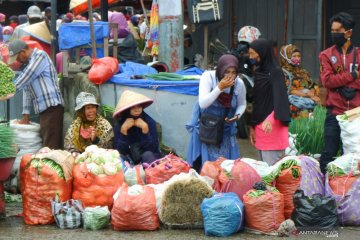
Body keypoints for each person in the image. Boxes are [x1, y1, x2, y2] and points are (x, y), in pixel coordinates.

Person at [186, 54, 247, 171]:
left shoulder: (239, 84)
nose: (230, 76)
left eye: (233, 72)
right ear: (220, 69)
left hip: (226, 128)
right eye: (226, 71)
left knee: (227, 168)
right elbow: (203, 103)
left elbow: (242, 104)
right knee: (208, 167)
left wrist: (236, 116)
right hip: (208, 128)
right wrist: (219, 87)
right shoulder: (208, 77)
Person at [318, 12, 360, 174]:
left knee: (352, 155)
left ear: (348, 32)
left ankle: (348, 194)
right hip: (334, 111)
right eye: (332, 30)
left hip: (355, 114)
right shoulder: (325, 55)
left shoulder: (359, 54)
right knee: (328, 152)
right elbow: (327, 81)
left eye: (337, 31)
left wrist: (339, 81)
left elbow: (334, 80)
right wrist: (354, 75)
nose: (333, 34)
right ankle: (324, 193)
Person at [8, 39, 64, 149]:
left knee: (50, 148)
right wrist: (26, 115)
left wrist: (6, 91)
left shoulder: (40, 56)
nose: (17, 61)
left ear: (23, 52)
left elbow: (26, 77)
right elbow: (27, 89)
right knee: (46, 146)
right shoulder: (29, 64)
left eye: (17, 57)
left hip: (52, 108)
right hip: (44, 111)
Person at [248, 39, 290, 166]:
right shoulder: (259, 72)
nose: (251, 57)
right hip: (261, 128)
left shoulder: (276, 72)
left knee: (272, 173)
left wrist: (271, 119)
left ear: (262, 53)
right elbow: (258, 101)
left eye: (253, 53)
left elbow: (281, 98)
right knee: (264, 173)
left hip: (272, 127)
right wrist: (252, 127)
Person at [113, 90, 161, 165]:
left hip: (148, 160)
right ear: (126, 110)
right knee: (119, 158)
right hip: (130, 161)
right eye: (132, 107)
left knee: (147, 155)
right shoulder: (120, 125)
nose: (137, 110)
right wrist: (123, 132)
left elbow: (153, 149)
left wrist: (145, 131)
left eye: (139, 106)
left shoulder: (149, 122)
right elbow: (118, 151)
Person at [280, 44, 321, 118]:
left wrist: (312, 94)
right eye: (294, 56)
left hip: (309, 105)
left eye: (299, 56)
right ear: (287, 56)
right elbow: (289, 90)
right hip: (294, 109)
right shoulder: (282, 72)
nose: (297, 58)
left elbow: (312, 85)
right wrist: (307, 95)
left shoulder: (303, 71)